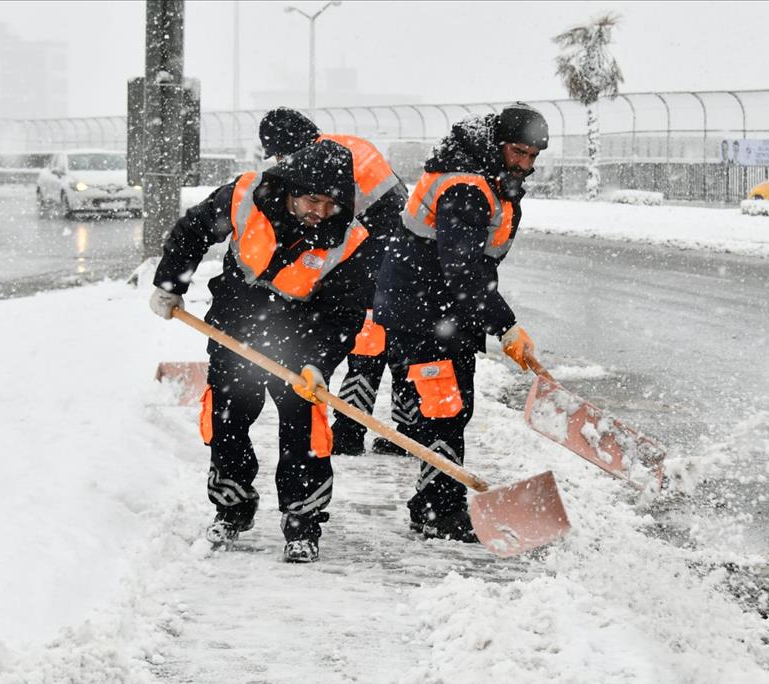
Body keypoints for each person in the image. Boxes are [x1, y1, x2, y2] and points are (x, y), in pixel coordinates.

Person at [148, 140, 377, 564]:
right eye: (312, 200)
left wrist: (318, 362)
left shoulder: (350, 238)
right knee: (226, 420)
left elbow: (344, 314)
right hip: (235, 327)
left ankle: (303, 525)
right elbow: (191, 232)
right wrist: (169, 284)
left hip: (300, 338)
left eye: (331, 203)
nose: (320, 212)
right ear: (292, 188)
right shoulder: (245, 196)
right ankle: (232, 508)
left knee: (305, 432)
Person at [372, 103, 547, 542]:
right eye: (518, 152)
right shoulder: (466, 186)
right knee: (445, 410)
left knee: (449, 409)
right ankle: (437, 512)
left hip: (440, 311)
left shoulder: (486, 177)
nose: (524, 164)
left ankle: (434, 505)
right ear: (497, 145)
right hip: (424, 313)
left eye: (532, 156)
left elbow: (472, 268)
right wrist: (504, 325)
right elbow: (462, 269)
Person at [259, 107, 413, 457]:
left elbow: (332, 224)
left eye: (282, 153)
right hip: (398, 248)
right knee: (396, 339)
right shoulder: (346, 145)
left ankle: (349, 430)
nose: (283, 161)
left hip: (379, 249)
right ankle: (407, 428)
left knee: (368, 337)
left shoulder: (325, 163)